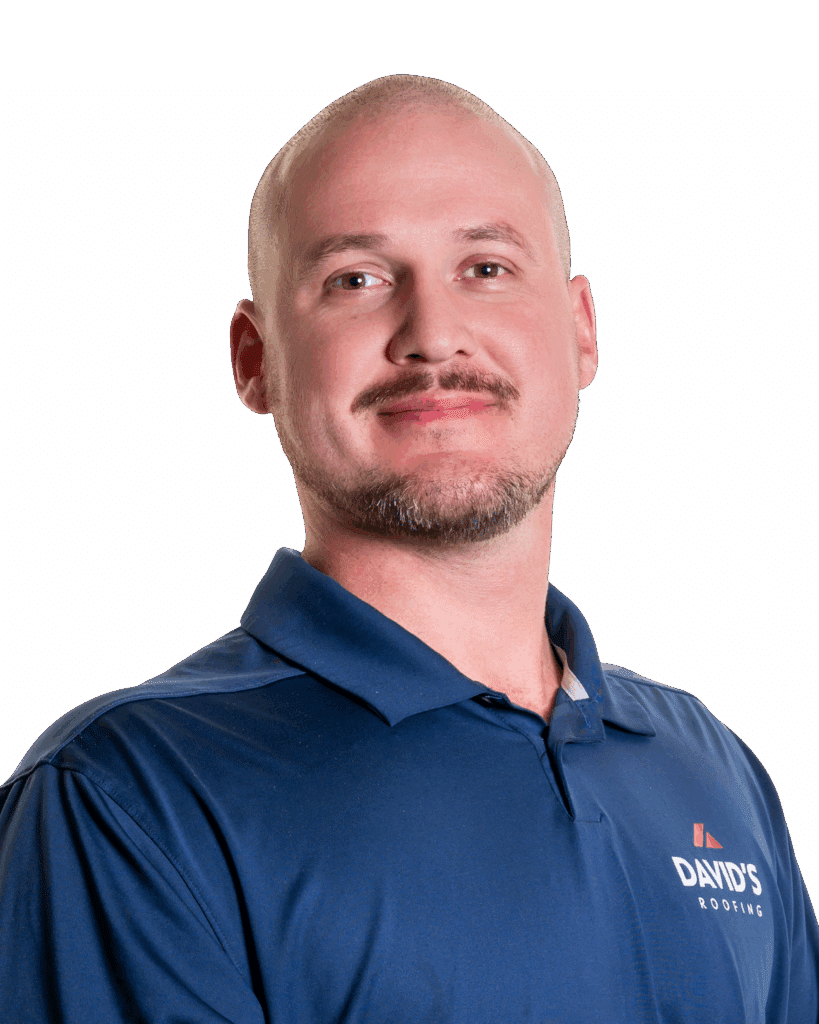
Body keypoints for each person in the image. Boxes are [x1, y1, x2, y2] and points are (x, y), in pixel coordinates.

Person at [1, 74, 816, 1024]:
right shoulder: (125, 799)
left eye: (486, 268)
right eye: (357, 280)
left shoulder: (712, 769)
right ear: (254, 359)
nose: (433, 336)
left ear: (581, 330)